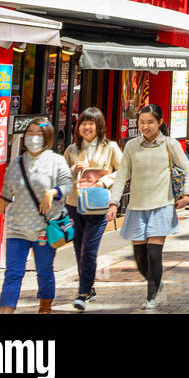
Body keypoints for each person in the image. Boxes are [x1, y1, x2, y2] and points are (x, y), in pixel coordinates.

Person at [105, 104, 189, 310]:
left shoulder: (169, 144)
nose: (145, 127)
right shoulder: (131, 146)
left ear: (160, 123)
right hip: (137, 206)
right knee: (139, 258)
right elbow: (122, 175)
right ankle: (156, 282)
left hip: (162, 205)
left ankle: (152, 295)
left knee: (154, 253)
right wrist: (114, 202)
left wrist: (188, 194)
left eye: (150, 123)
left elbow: (188, 169)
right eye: (142, 122)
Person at [0, 118, 73, 313]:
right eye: (30, 133)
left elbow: (68, 185)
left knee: (44, 272)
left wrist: (52, 192)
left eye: (39, 134)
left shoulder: (57, 161)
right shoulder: (16, 163)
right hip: (17, 228)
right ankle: (6, 310)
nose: (33, 137)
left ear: (48, 138)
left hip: (44, 229)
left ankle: (45, 307)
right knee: (13, 273)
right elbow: (6, 194)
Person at [62, 108, 122, 311]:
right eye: (83, 123)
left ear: (99, 126)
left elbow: (123, 171)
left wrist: (104, 181)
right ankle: (88, 287)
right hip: (74, 204)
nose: (87, 127)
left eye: (91, 123)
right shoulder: (71, 149)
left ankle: (84, 292)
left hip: (98, 206)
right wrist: (74, 170)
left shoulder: (110, 147)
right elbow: (61, 177)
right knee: (79, 248)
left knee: (89, 249)